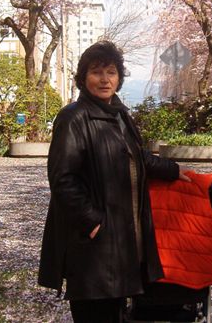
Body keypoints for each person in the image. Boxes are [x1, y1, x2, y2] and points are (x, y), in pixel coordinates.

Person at [38, 41, 191, 323]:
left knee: (117, 312)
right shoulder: (74, 117)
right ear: (83, 77)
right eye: (96, 72)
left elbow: (135, 156)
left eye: (111, 72)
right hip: (94, 242)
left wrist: (172, 170)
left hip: (123, 237)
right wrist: (92, 222)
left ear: (119, 77)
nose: (105, 79)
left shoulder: (119, 115)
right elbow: (62, 179)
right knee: (95, 312)